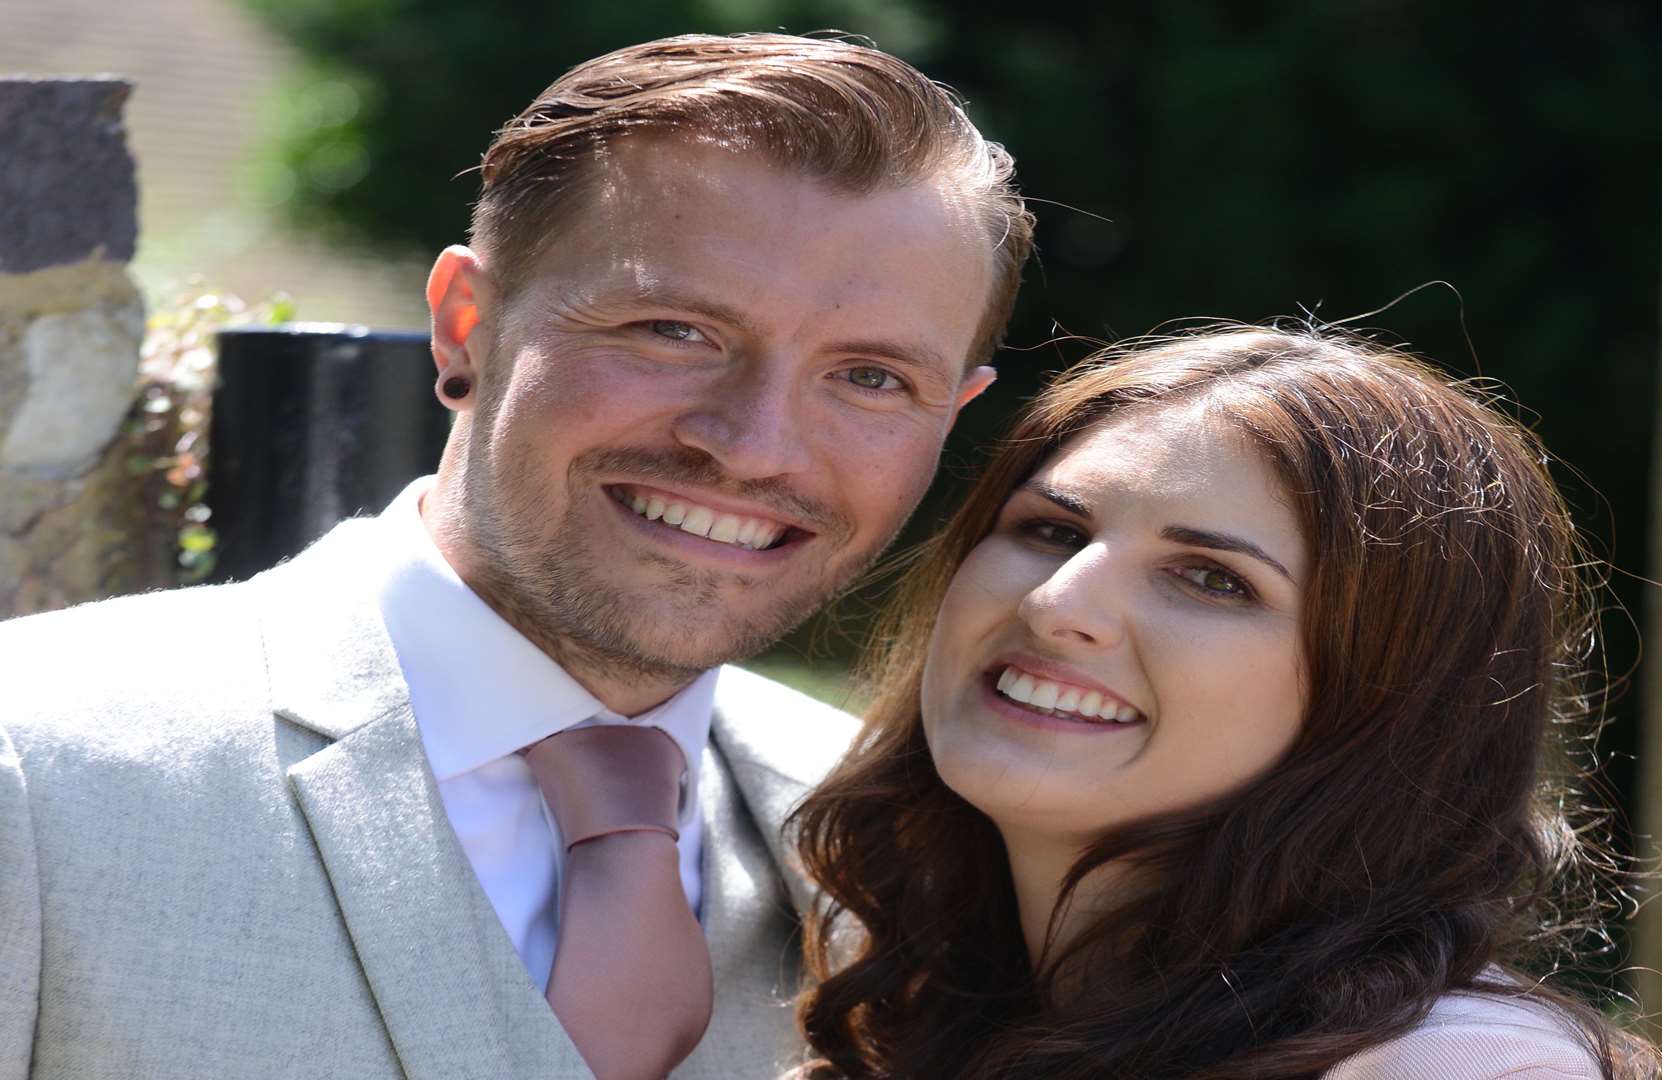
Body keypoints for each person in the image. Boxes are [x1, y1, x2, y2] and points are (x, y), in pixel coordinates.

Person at [0, 33, 1032, 1080]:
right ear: (466, 325)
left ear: (954, 412)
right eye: (675, 330)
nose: (757, 447)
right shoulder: (34, 765)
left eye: (869, 378)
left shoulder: (921, 856)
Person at [790, 325, 1662, 1079]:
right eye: (1051, 530)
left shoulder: (1454, 1065)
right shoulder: (904, 1008)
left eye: (1212, 579)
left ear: (1388, 697)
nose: (1056, 604)